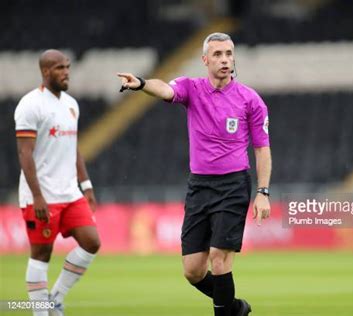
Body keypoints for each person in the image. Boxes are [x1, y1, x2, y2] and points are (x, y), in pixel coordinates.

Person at [118, 32, 272, 316]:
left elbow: (262, 149)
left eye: (228, 54)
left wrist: (263, 192)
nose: (225, 60)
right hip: (199, 186)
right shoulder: (192, 88)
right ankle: (235, 307)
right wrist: (140, 84)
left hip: (233, 185)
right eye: (217, 54)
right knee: (192, 271)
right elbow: (164, 89)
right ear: (205, 60)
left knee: (219, 259)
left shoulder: (250, 100)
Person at [14, 49, 101, 316]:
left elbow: (73, 149)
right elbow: (24, 153)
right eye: (60, 68)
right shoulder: (30, 105)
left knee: (92, 242)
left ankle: (56, 298)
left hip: (69, 193)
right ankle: (41, 312)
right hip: (41, 196)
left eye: (67, 67)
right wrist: (37, 196)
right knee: (41, 255)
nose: (66, 72)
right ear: (45, 72)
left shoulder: (71, 104)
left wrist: (85, 186)